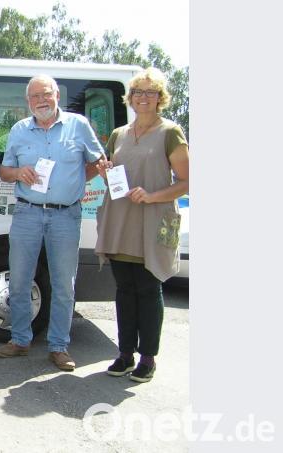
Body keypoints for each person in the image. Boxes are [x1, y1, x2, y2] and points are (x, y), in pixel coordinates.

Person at [0, 75, 106, 371]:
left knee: (63, 284)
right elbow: (5, 171)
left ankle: (58, 346)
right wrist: (18, 173)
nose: (41, 100)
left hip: (65, 215)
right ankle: (20, 340)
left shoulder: (78, 125)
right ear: (28, 101)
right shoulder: (19, 130)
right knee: (19, 280)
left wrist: (77, 180)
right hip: (27, 213)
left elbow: (98, 161)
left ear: (57, 95)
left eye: (46, 94)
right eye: (35, 96)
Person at [95, 67, 189, 383]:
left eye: (150, 92)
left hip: (152, 220)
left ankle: (147, 358)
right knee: (124, 290)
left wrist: (152, 196)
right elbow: (113, 178)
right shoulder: (119, 134)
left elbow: (187, 181)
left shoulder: (170, 132)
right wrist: (105, 173)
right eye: (138, 92)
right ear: (131, 97)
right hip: (120, 220)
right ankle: (125, 354)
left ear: (160, 97)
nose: (143, 97)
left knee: (148, 290)